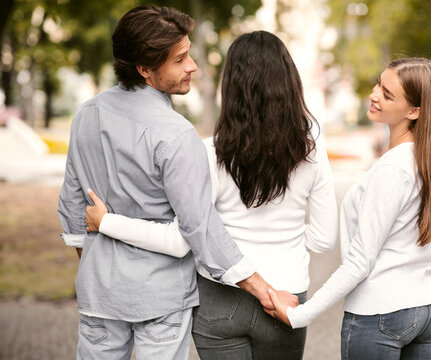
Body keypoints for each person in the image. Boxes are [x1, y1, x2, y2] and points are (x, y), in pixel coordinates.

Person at [83, 31, 338, 359]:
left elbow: (180, 240)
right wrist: (283, 240)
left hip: (220, 299)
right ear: (290, 82)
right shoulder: (311, 151)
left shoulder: (210, 153)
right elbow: (324, 238)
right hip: (286, 298)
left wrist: (107, 222)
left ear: (231, 87)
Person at [57, 6, 290, 359]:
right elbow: (199, 228)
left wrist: (100, 269)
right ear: (145, 70)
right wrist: (263, 290)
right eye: (180, 60)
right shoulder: (177, 134)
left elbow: (74, 205)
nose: (192, 66)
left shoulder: (87, 114)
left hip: (99, 294)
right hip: (161, 300)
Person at [271, 57, 431, 360]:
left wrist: (298, 316)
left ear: (414, 111)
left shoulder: (394, 169)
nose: (374, 94)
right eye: (380, 84)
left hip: (381, 314)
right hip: (430, 309)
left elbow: (359, 262)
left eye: (387, 94)